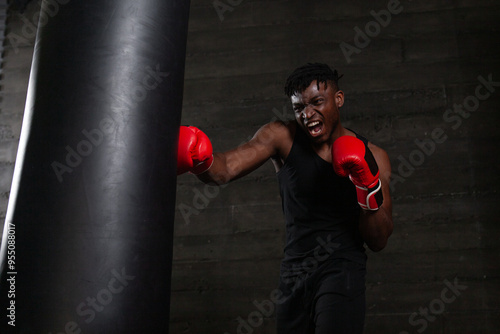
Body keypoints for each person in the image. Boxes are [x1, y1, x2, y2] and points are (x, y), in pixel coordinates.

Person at [177, 63, 393, 333]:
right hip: (294, 273)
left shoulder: (375, 155)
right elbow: (226, 168)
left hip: (342, 269)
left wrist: (367, 187)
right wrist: (199, 159)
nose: (308, 115)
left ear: (338, 99)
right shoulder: (281, 137)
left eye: (317, 103)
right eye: (299, 107)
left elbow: (379, 239)